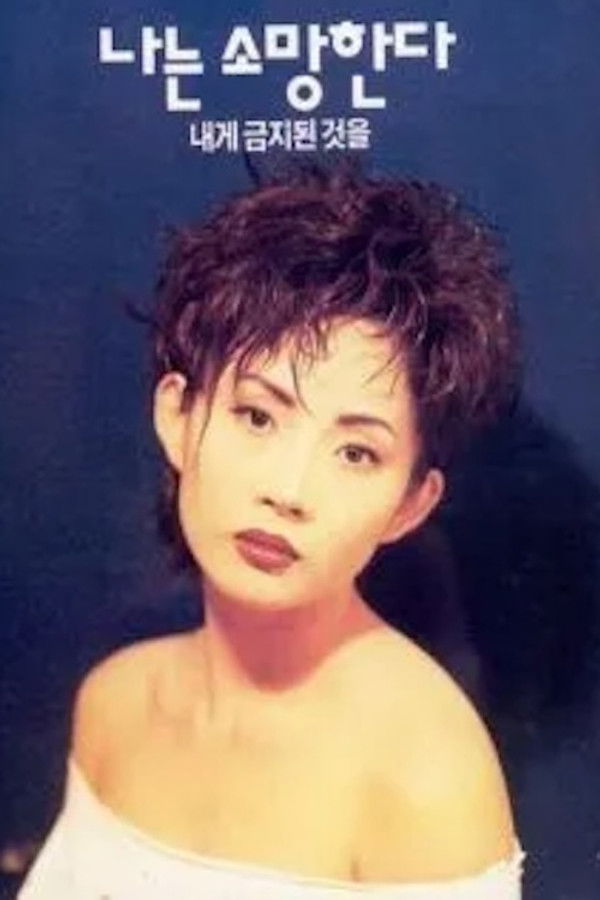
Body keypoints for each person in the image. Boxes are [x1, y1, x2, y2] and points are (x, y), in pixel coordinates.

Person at [19, 163, 525, 898]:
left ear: (410, 505)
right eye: (258, 416)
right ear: (177, 414)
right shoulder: (116, 703)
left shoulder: (424, 776)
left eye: (356, 453)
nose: (287, 491)